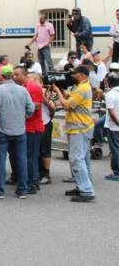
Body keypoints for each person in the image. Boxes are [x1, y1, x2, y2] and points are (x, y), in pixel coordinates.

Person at [0, 64, 34, 199]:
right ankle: (22, 189)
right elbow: (30, 108)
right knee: (21, 159)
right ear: (12, 76)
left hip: (2, 129)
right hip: (19, 129)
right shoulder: (23, 90)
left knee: (0, 159)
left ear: (1, 76)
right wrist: (23, 117)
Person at [52, 66, 96, 202]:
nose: (72, 76)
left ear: (82, 75)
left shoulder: (82, 88)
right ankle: (81, 186)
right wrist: (62, 91)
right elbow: (71, 99)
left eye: (75, 74)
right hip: (81, 127)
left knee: (77, 159)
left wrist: (58, 91)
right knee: (81, 158)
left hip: (79, 128)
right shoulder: (82, 86)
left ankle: (87, 190)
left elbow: (67, 105)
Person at [14, 67, 44, 194]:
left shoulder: (32, 88)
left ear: (24, 75)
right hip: (29, 126)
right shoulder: (24, 87)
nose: (14, 77)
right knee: (30, 156)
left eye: (16, 75)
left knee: (29, 156)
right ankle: (33, 181)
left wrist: (21, 110)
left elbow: (37, 106)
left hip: (33, 127)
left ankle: (32, 182)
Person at [103, 72, 119, 181]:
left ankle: (117, 172)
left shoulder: (109, 95)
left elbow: (112, 113)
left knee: (115, 150)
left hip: (114, 127)